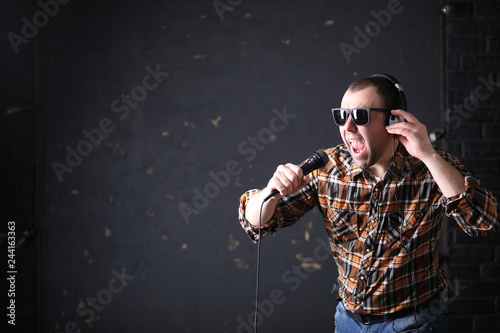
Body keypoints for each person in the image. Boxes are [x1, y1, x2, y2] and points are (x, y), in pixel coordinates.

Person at [237, 74, 499, 332]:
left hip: (416, 324)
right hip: (347, 322)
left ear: (393, 120)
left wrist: (428, 155)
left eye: (360, 115)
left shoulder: (431, 167)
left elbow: (484, 222)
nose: (348, 127)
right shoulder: (328, 168)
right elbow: (256, 221)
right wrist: (270, 190)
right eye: (341, 116)